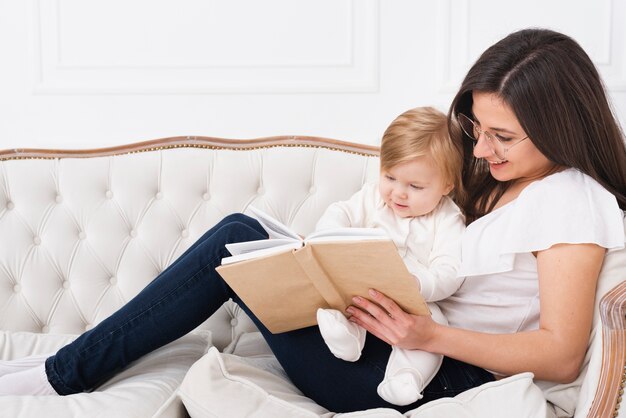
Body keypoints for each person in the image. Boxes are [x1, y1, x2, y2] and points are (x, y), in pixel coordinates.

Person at [1, 28, 625, 415]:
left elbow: (563, 356)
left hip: (433, 376)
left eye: (502, 136)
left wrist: (423, 337)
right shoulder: (509, 183)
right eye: (476, 130)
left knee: (236, 239)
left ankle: (63, 375)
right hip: (395, 342)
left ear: (559, 127)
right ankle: (66, 369)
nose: (481, 150)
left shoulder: (570, 198)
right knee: (252, 240)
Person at [314, 106, 465, 405]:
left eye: (415, 186)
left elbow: (451, 270)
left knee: (435, 327)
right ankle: (345, 335)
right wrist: (329, 236)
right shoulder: (372, 197)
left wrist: (418, 284)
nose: (398, 193)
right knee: (338, 299)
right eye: (390, 177)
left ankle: (406, 377)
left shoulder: (448, 218)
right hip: (363, 286)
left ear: (446, 185)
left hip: (416, 302)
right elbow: (340, 213)